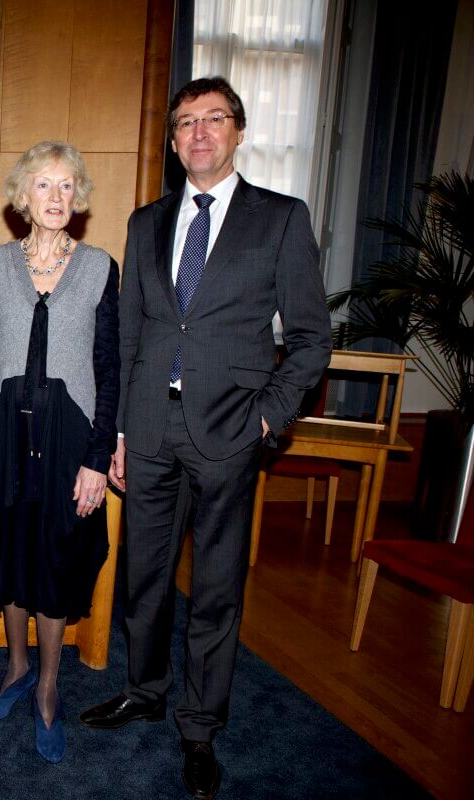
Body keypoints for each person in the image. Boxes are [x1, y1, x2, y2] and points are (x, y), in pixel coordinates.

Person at [78, 77, 331, 799]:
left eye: (212, 119)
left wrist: (267, 416)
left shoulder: (280, 219)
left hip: (230, 431)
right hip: (151, 430)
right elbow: (130, 335)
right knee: (144, 580)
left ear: (238, 130)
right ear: (173, 139)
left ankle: (199, 728)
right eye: (185, 122)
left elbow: (312, 339)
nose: (198, 134)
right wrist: (122, 427)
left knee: (216, 590)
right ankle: (145, 689)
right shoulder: (146, 222)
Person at [0, 142, 119, 763]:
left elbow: (109, 366)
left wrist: (98, 456)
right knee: (6, 548)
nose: (56, 197)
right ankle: (17, 667)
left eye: (66, 186)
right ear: (22, 198)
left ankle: (49, 687)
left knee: (57, 554)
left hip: (69, 438)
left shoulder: (102, 267)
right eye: (43, 186)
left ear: (77, 199)